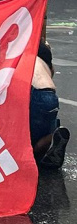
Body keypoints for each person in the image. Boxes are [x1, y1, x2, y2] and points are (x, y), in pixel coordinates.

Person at [30, 41, 70, 169]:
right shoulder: (42, 48)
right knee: (44, 127)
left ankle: (45, 144)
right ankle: (51, 138)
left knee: (26, 147)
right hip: (48, 94)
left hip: (26, 92)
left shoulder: (11, 46)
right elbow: (51, 71)